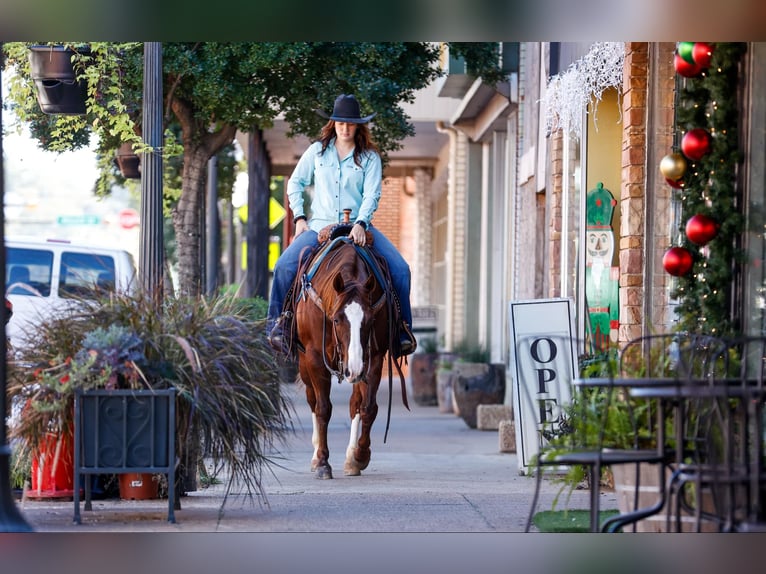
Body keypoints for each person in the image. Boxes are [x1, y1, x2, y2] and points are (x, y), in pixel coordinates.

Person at [267, 94, 417, 357]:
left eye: (350, 123)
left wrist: (361, 222)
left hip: (359, 229)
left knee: (401, 270)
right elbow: (295, 183)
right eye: (340, 122)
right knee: (283, 267)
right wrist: (300, 218)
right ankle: (278, 327)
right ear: (332, 123)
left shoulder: (370, 158)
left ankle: (401, 332)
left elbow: (372, 194)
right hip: (320, 227)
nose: (345, 128)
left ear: (358, 125)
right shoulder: (317, 152)